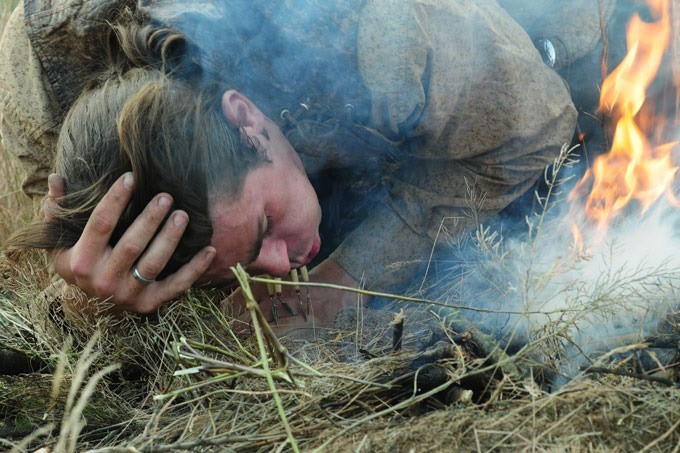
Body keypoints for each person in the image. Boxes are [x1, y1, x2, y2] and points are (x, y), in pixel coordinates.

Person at [0, 0, 594, 328]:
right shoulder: (43, 73)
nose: (281, 267)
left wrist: (349, 275)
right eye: (227, 268)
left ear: (248, 120)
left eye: (265, 228)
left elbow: (534, 132)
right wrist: (90, 295)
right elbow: (81, 264)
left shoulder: (385, 36)